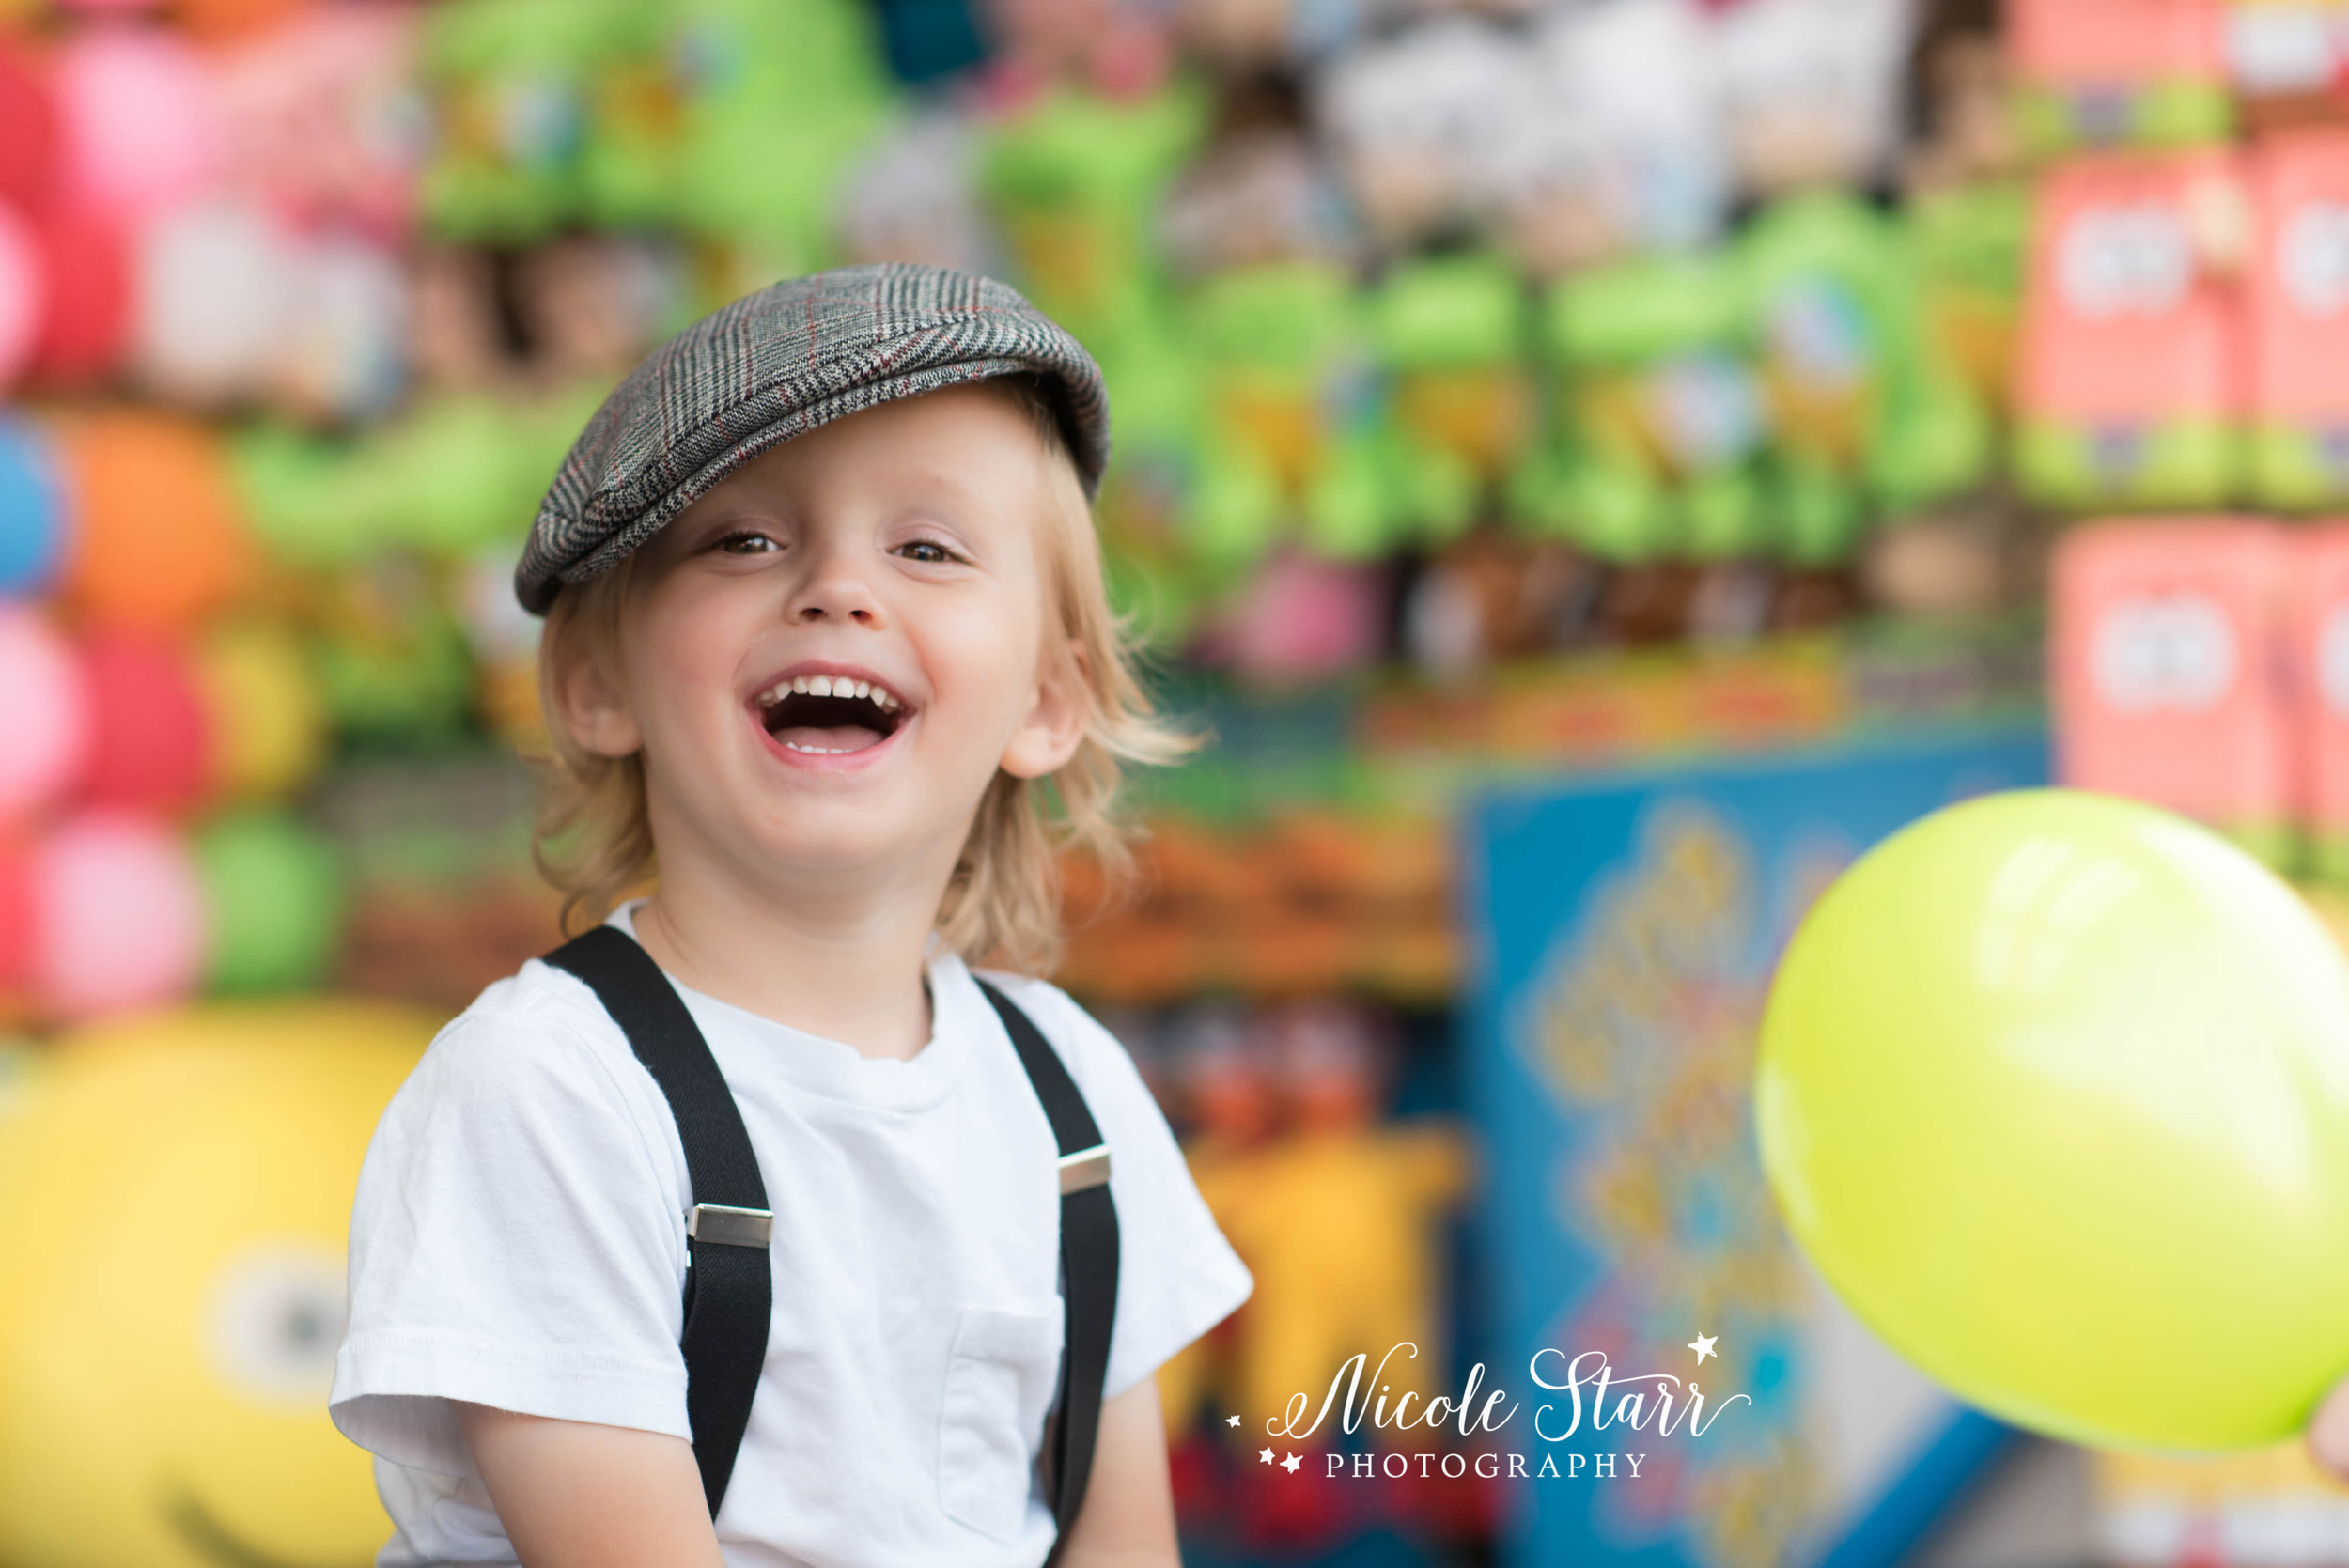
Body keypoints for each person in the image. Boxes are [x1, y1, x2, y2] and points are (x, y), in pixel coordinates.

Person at [328, 264, 1254, 1567]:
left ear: (1049, 699)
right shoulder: (553, 1094)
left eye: (927, 547)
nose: (837, 588)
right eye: (746, 540)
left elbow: (1122, 1543)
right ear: (599, 680)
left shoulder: (1073, 1103)